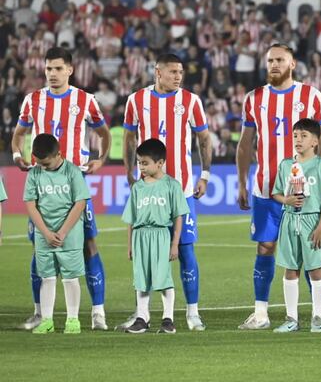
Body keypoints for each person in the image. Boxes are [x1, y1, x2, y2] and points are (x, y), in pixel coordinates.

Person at [12, 47, 111, 331]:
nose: (52, 74)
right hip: (42, 184)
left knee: (89, 246)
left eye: (57, 69)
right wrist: (18, 156)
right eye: (48, 69)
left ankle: (98, 312)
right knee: (39, 247)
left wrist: (101, 160)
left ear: (70, 69)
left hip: (74, 180)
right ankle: (38, 313)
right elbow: (18, 135)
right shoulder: (33, 100)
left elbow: (103, 133)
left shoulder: (85, 100)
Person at [236, 43, 321, 330]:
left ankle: (316, 314)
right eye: (270, 60)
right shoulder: (254, 98)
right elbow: (245, 144)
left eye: (280, 60)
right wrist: (242, 181)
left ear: (292, 63)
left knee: (306, 250)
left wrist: (320, 178)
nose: (273, 65)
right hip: (266, 188)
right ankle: (261, 313)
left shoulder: (310, 96)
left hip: (303, 191)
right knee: (265, 248)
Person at [122, 53, 212, 331]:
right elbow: (128, 138)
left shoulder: (190, 101)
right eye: (172, 72)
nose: (178, 76)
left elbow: (204, 138)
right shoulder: (136, 100)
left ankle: (192, 312)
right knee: (145, 251)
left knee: (185, 250)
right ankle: (143, 314)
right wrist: (129, 172)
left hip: (181, 188)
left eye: (180, 72)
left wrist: (204, 174)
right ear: (157, 72)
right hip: (148, 188)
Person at [271, 119, 321, 333]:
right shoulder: (286, 165)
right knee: (290, 269)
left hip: (312, 221)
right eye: (296, 136)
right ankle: (291, 318)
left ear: (315, 141)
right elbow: (276, 193)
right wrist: (286, 201)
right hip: (290, 220)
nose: (298, 140)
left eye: (304, 136)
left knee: (315, 269)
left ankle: (317, 317)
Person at [23, 134, 91, 334]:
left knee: (70, 278)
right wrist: (45, 232)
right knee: (47, 277)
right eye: (38, 163)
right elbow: (30, 204)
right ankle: (47, 320)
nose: (42, 166)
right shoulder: (34, 173)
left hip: (69, 235)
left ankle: (72, 319)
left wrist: (62, 232)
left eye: (46, 163)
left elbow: (80, 202)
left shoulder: (72, 172)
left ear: (59, 154)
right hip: (44, 235)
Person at [122, 138, 189, 334]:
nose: (141, 167)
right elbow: (131, 220)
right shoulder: (137, 188)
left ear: (160, 163)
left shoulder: (171, 186)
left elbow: (178, 217)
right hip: (140, 236)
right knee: (141, 279)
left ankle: (168, 319)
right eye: (139, 162)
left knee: (163, 278)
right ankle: (142, 318)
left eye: (145, 163)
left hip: (160, 235)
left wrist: (175, 243)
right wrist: (130, 245)